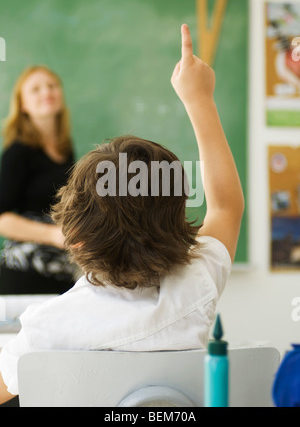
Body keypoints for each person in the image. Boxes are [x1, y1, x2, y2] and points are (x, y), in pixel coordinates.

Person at [0, 24, 244, 404]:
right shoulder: (198, 285)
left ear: (75, 239)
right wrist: (200, 101)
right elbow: (227, 206)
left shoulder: (47, 327)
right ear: (176, 222)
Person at [0, 65, 78, 295]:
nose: (47, 92)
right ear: (23, 104)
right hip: (25, 273)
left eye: (52, 85)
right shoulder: (18, 152)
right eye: (35, 89)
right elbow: (2, 219)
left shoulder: (66, 148)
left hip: (63, 271)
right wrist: (55, 235)